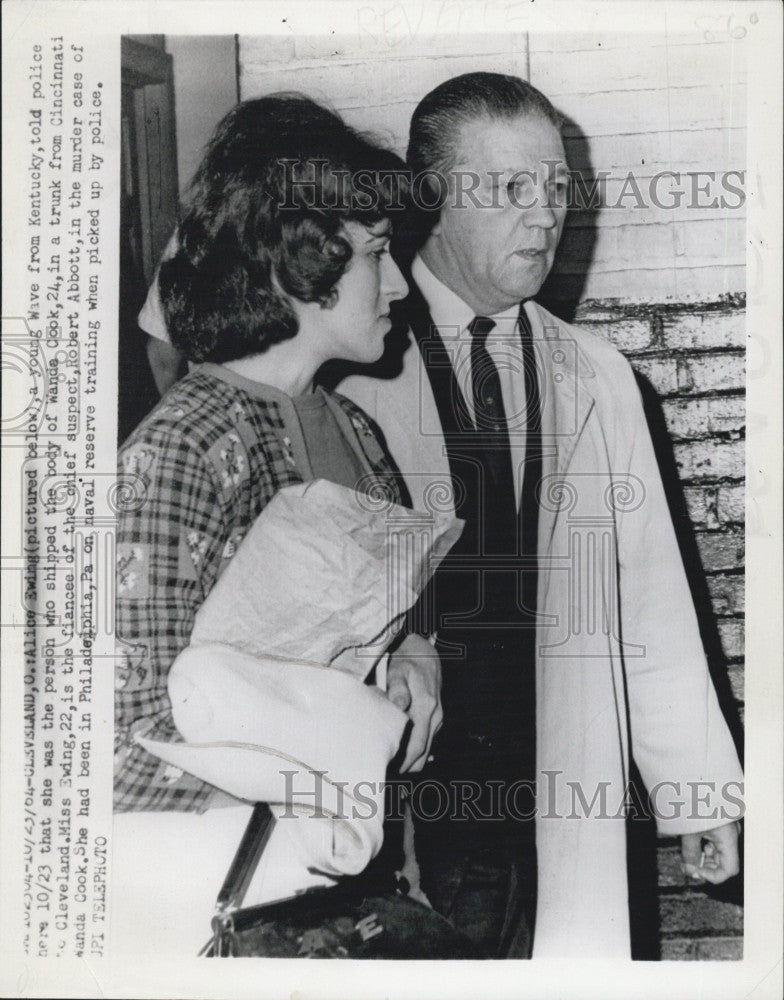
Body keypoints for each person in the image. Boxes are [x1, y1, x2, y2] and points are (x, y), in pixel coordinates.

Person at [137, 74, 744, 959]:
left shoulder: (603, 376)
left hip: (552, 779)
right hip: (399, 808)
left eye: (558, 190)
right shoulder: (343, 354)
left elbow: (651, 596)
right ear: (434, 202)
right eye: (510, 189)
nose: (546, 217)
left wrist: (699, 794)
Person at [112, 94, 442, 953]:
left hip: (363, 882)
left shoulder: (357, 431)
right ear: (300, 259)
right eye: (377, 253)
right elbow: (125, 730)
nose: (400, 283)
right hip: (231, 904)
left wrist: (418, 663)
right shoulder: (179, 447)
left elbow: (393, 626)